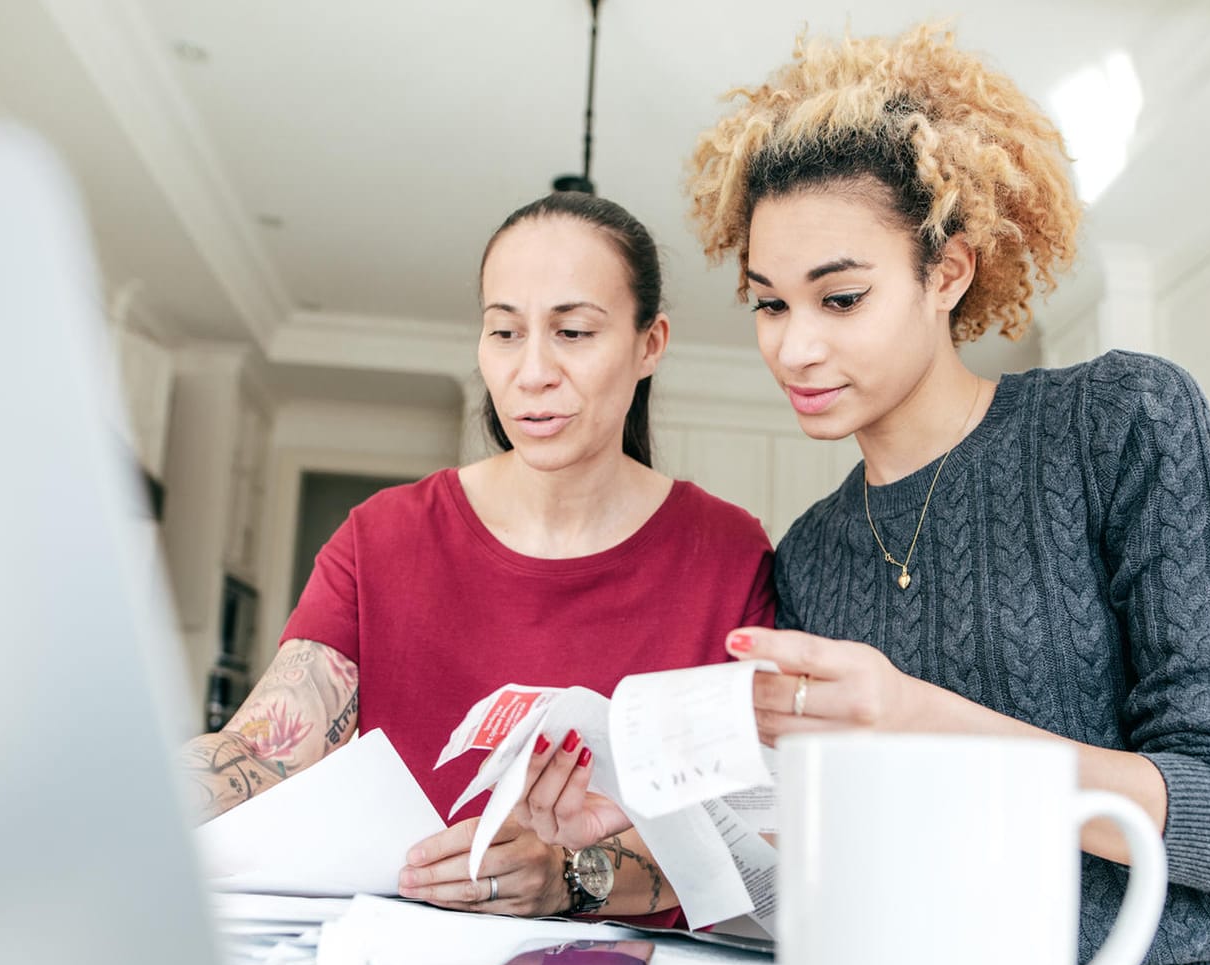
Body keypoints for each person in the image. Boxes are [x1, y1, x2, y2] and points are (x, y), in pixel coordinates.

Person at [529, 23, 1210, 965]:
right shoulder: (811, 553)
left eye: (840, 297)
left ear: (946, 270)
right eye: (768, 302)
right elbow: (815, 859)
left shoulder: (1119, 419)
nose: (793, 346)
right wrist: (631, 832)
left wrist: (914, 716)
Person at [176, 191, 776, 927]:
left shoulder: (729, 556)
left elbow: (744, 839)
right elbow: (264, 753)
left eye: (574, 331)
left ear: (649, 344)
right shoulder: (382, 538)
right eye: (504, 331)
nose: (531, 372)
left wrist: (567, 878)